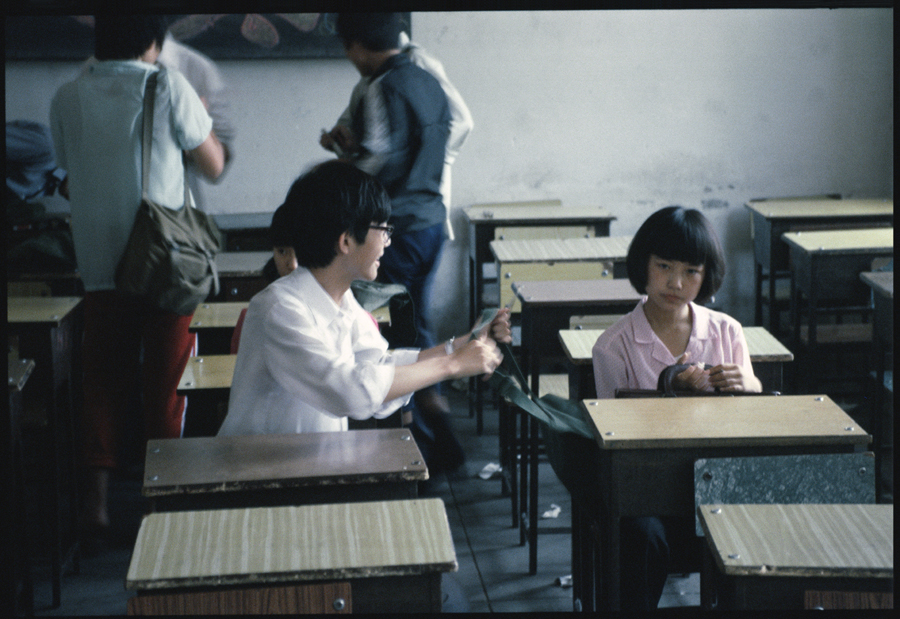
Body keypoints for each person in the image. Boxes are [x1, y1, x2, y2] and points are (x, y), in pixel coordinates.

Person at [50, 15, 225, 540]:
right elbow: (212, 163)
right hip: (163, 259)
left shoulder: (68, 95)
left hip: (100, 263)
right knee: (169, 382)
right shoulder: (168, 84)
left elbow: (66, 167)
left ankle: (96, 505)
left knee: (101, 380)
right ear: (154, 42)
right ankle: (161, 503)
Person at [217, 160, 511, 436]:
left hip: (306, 468)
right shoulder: (280, 309)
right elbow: (350, 391)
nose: (388, 240)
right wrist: (453, 365)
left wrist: (462, 344)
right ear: (345, 240)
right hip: (258, 476)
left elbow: (380, 366)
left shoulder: (342, 300)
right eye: (383, 228)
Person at [591, 205, 761, 610]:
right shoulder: (613, 346)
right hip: (647, 495)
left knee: (763, 521)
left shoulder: (726, 331)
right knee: (640, 535)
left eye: (691, 271)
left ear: (706, 277)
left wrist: (751, 386)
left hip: (719, 484)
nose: (676, 282)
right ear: (642, 266)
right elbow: (615, 442)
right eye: (664, 266)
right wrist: (669, 386)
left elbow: (753, 418)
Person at [323, 13, 465, 472]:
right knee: (415, 324)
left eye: (348, 50)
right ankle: (435, 414)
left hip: (395, 228)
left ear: (356, 46)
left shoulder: (383, 84)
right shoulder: (427, 77)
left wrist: (341, 169)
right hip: (429, 222)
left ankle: (415, 443)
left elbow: (382, 154)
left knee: (385, 335)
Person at [322, 29, 473, 241]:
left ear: (358, 46)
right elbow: (389, 141)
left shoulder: (411, 66)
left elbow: (461, 122)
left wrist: (429, 162)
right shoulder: (379, 77)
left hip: (405, 215)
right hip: (412, 212)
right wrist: (354, 147)